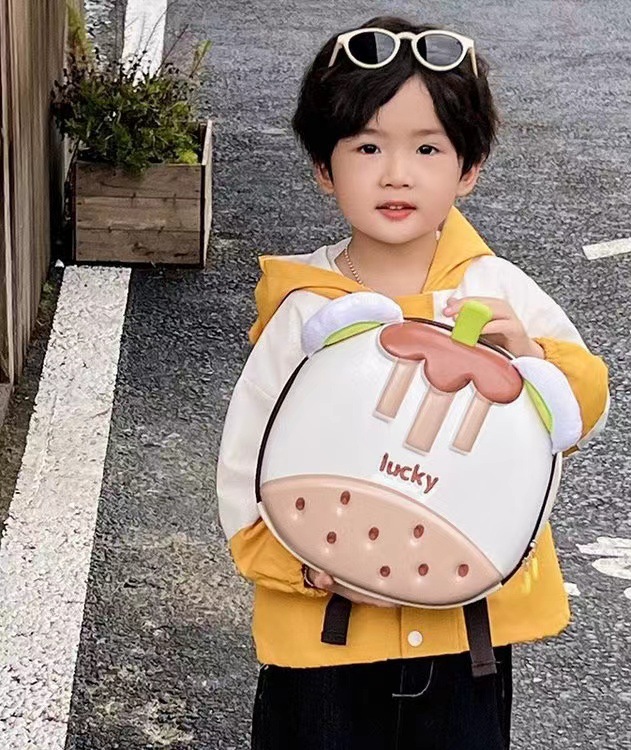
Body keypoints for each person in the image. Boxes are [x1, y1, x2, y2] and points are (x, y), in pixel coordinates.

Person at [216, 14, 610, 750]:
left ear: (469, 167)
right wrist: (297, 567)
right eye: (367, 147)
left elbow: (582, 411)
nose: (396, 173)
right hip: (326, 642)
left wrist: (531, 358)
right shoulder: (304, 310)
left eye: (427, 148)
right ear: (324, 167)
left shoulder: (498, 290)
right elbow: (246, 459)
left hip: (468, 641)